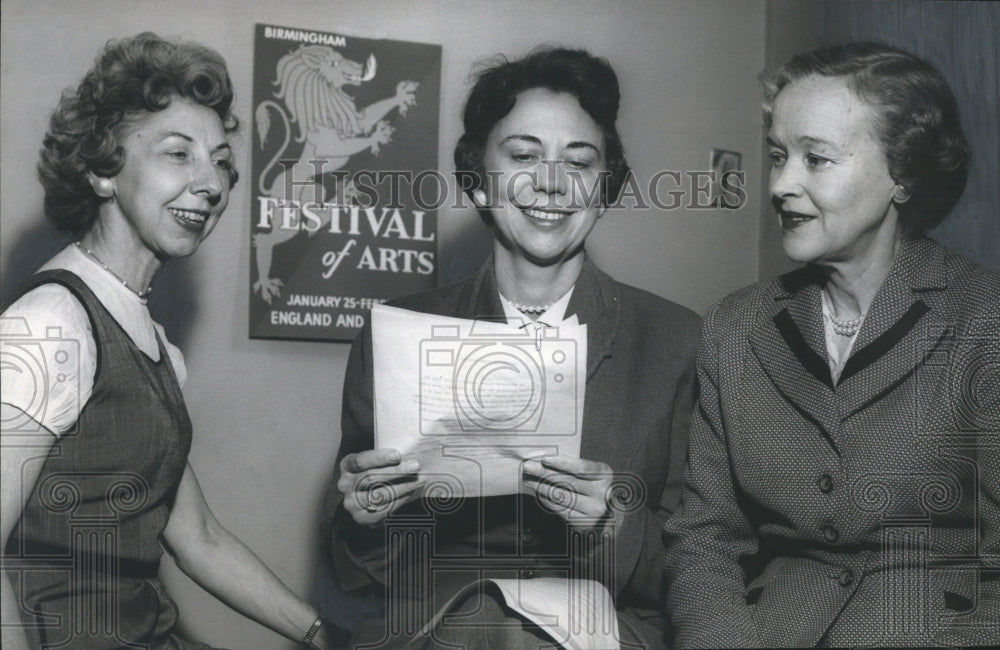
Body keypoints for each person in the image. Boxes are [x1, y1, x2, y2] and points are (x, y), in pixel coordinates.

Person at [321, 47, 699, 648]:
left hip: (603, 627)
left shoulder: (677, 340)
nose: (550, 182)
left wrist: (611, 521)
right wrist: (363, 518)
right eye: (523, 155)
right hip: (437, 627)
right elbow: (354, 573)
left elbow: (697, 568)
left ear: (604, 190)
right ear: (476, 180)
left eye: (578, 162)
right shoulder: (398, 332)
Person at [0, 33, 339, 650]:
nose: (211, 184)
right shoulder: (51, 324)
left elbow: (198, 536)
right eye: (178, 155)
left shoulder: (149, 338)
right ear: (105, 171)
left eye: (221, 163)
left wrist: (318, 631)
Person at [663, 41, 1000, 647]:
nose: (782, 185)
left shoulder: (985, 319)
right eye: (778, 155)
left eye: (816, 159)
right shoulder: (734, 327)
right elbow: (702, 540)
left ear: (903, 173)